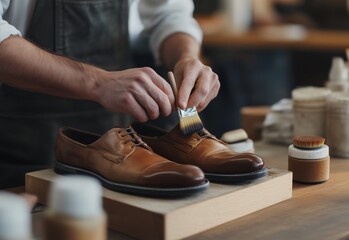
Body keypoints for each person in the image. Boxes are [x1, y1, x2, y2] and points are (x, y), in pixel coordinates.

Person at [0, 0, 220, 189]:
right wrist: (97, 82)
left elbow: (168, 15)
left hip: (120, 156)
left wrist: (186, 57)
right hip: (22, 153)